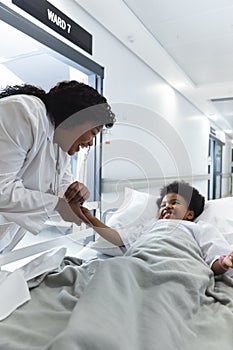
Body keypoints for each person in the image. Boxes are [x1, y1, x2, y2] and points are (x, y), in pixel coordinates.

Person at [0, 80, 115, 253]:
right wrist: (59, 205)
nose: (90, 143)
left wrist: (76, 193)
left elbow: (62, 188)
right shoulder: (23, 112)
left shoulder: (60, 142)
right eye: (93, 132)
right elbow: (2, 189)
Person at [79, 181, 233, 275]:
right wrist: (91, 219)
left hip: (180, 266)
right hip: (140, 263)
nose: (167, 207)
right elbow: (119, 239)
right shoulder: (151, 226)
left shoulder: (198, 228)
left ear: (189, 214)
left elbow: (213, 260)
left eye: (175, 203)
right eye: (163, 204)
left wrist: (224, 262)